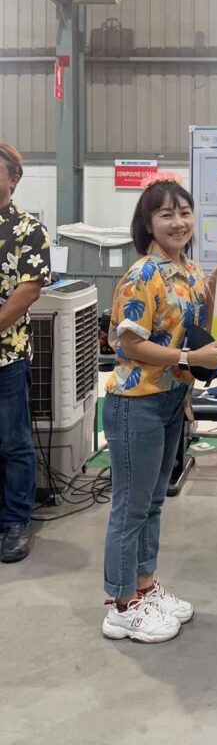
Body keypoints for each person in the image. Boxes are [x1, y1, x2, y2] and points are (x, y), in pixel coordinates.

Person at [102, 175, 217, 644]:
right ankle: (120, 606)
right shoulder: (142, 276)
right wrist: (189, 358)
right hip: (136, 403)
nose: (178, 222)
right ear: (148, 223)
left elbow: (201, 326)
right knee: (130, 508)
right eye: (166, 214)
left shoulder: (191, 272)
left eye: (184, 212)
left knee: (153, 502)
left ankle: (144, 587)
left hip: (172, 399)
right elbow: (128, 344)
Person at [0, 143, 51, 563]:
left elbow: (29, 290)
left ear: (13, 179)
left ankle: (16, 520)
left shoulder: (27, 229)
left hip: (6, 357)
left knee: (12, 442)